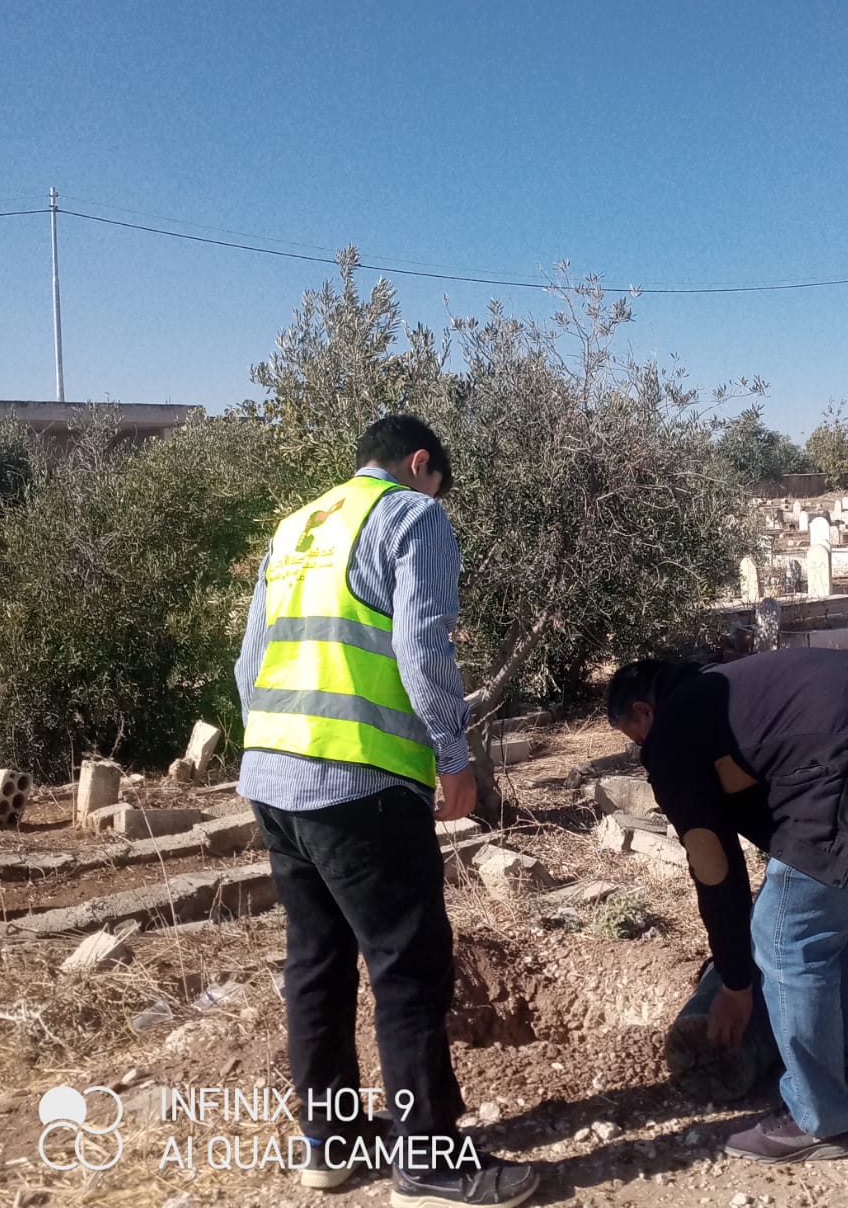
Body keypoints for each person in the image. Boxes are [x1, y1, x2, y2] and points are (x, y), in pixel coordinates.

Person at [236, 415, 538, 1207]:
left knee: (317, 962)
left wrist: (274, 747)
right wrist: (452, 754)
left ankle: (328, 1144)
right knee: (408, 965)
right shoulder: (413, 515)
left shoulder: (297, 525)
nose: (439, 496)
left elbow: (250, 659)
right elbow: (421, 645)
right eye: (438, 481)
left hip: (274, 777)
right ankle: (431, 1164)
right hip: (360, 782)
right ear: (419, 464)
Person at [607, 647, 848, 1162]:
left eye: (635, 739)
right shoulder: (722, 691)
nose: (642, 752)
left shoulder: (672, 732)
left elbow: (716, 870)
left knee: (786, 937)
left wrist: (736, 984)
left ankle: (818, 1119)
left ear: (643, 713)